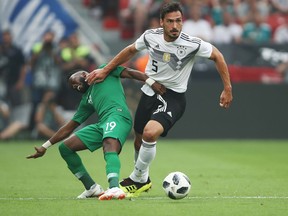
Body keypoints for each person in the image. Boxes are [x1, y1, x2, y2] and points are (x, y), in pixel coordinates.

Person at [86, 2, 233, 197]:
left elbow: (217, 56)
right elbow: (130, 50)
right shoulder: (150, 36)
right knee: (138, 139)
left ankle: (137, 178)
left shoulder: (191, 43)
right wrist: (105, 70)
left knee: (149, 132)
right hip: (149, 92)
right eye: (170, 21)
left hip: (172, 97)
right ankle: (144, 179)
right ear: (161, 22)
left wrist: (227, 88)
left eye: (179, 21)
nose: (175, 26)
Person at [27, 65, 165, 200]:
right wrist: (45, 146)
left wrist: (150, 81)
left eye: (78, 79)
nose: (77, 85)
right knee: (65, 148)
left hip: (118, 116)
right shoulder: (86, 100)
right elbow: (68, 127)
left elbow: (129, 72)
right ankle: (92, 188)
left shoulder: (105, 72)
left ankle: (114, 187)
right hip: (102, 124)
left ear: (85, 74)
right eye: (73, 86)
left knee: (109, 144)